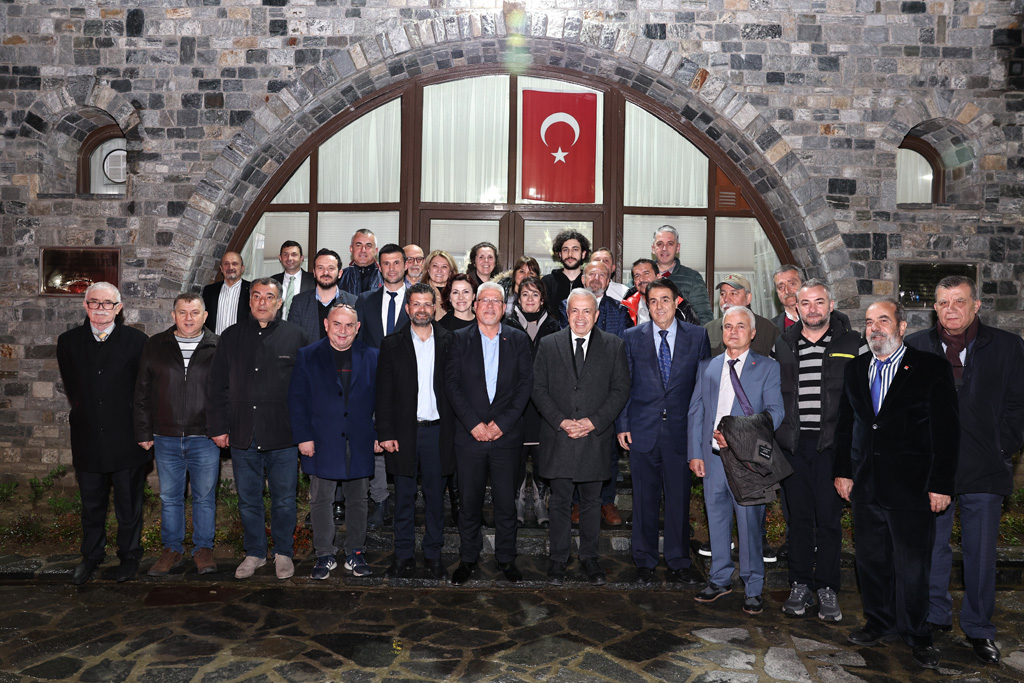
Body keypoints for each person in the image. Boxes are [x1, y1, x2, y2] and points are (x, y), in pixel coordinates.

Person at [833, 300, 959, 670]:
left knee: (913, 566)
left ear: (902, 327)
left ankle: (917, 633)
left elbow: (947, 431)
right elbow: (846, 425)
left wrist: (941, 484)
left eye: (883, 320)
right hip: (865, 486)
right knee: (871, 561)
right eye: (869, 321)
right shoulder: (856, 368)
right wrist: (843, 471)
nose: (874, 328)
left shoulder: (930, 367)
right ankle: (879, 622)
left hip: (913, 488)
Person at [906, 276, 1024, 665]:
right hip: (933, 471)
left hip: (985, 469)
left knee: (981, 555)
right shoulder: (916, 346)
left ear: (976, 305)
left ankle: (978, 627)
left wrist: (1002, 448)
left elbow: (1018, 405)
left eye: (959, 301)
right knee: (932, 548)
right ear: (934, 308)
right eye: (943, 302)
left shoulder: (1007, 346)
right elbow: (905, 408)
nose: (951, 309)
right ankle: (935, 617)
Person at [207, 278, 310, 580]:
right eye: (256, 296)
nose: (262, 302)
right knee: (249, 499)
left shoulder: (297, 336)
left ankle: (283, 552)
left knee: (284, 500)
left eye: (269, 297)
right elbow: (216, 385)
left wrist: (305, 432)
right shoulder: (231, 336)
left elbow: (307, 389)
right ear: (249, 301)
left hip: (283, 434)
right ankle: (254, 552)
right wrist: (218, 427)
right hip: (243, 433)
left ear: (279, 302)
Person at [773, 280, 864, 622]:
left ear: (831, 304)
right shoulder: (782, 344)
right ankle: (799, 584)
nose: (812, 309)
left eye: (819, 302)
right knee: (798, 521)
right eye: (806, 303)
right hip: (794, 447)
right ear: (796, 307)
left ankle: (827, 587)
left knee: (828, 521)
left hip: (833, 447)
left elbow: (864, 397)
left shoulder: (853, 343)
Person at [688, 305, 784, 615]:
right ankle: (719, 579)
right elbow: (697, 411)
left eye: (741, 326)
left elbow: (775, 412)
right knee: (716, 520)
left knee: (749, 524)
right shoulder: (709, 366)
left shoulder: (767, 367)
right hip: (713, 459)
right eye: (728, 326)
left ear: (752, 333)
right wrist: (695, 453)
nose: (733, 331)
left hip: (747, 462)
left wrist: (738, 437)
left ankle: (753, 586)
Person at [532, 289, 631, 586]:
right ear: (567, 313)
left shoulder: (613, 345)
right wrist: (561, 421)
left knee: (591, 502)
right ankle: (558, 559)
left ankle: (589, 557)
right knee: (560, 501)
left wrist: (593, 422)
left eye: (587, 311)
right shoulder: (549, 344)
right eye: (574, 310)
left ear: (596, 315)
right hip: (558, 436)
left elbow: (620, 390)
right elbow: (538, 388)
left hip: (594, 438)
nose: (580, 316)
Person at [616, 278, 710, 586]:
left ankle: (678, 561)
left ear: (677, 302)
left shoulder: (697, 336)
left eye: (665, 300)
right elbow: (624, 385)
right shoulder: (632, 336)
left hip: (682, 432)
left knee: (678, 500)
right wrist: (622, 424)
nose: (659, 307)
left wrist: (700, 433)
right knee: (644, 499)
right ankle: (644, 561)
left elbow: (703, 390)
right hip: (642, 430)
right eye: (653, 301)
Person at [57, 282, 150, 585]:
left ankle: (130, 556)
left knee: (129, 505)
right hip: (88, 437)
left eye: (107, 303)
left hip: (127, 438)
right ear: (85, 306)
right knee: (91, 505)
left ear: (118, 308)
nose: (100, 308)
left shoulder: (137, 342)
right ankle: (92, 555)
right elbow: (74, 389)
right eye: (94, 302)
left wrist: (144, 431)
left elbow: (143, 391)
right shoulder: (69, 342)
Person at [444, 282, 534, 585]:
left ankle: (506, 558)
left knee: (506, 503)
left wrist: (502, 424)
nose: (490, 306)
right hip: (469, 436)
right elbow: (452, 385)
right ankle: (468, 557)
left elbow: (525, 385)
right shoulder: (459, 339)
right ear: (475, 305)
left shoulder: (518, 340)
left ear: (504, 308)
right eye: (485, 300)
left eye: (496, 301)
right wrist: (474, 424)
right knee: (469, 503)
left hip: (506, 437)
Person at [289, 304, 379, 579]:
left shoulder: (372, 355)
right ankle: (324, 554)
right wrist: (303, 437)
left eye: (349, 325)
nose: (343, 330)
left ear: (357, 328)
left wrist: (379, 434)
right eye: (337, 324)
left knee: (358, 499)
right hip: (321, 440)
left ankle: (355, 552)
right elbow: (297, 400)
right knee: (321, 499)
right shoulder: (307, 355)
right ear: (326, 325)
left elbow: (382, 399)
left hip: (360, 440)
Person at [133, 293, 221, 577]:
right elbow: (142, 391)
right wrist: (143, 430)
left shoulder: (218, 346)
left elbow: (227, 393)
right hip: (165, 435)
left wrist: (223, 429)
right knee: (170, 498)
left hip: (205, 437)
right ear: (173, 315)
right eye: (182, 312)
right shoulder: (156, 345)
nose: (188, 318)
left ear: (205, 316)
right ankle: (172, 548)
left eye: (194, 312)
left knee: (204, 498)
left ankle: (203, 548)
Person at [375, 283, 455, 581]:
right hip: (403, 434)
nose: (422, 309)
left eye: (427, 304)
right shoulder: (391, 344)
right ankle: (403, 555)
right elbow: (383, 393)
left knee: (435, 499)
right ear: (408, 308)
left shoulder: (450, 341)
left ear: (435, 308)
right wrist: (385, 432)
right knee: (404, 499)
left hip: (438, 433)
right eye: (416, 304)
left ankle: (433, 555)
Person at [558, 260, 633, 525]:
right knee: (575, 452)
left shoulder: (619, 309)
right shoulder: (565, 306)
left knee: (607, 453)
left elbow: (620, 347)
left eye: (602, 274)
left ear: (609, 279)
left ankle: (607, 502)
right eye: (591, 274)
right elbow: (564, 343)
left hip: (605, 391)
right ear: (583, 278)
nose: (596, 278)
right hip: (572, 391)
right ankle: (578, 502)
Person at [355, 243, 409, 528]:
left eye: (396, 262)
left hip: (410, 386)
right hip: (373, 385)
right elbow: (359, 345)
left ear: (406, 265)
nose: (391, 268)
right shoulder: (365, 300)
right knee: (374, 442)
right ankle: (380, 499)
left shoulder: (418, 299)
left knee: (406, 443)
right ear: (379, 266)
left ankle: (404, 499)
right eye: (386, 263)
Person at [504, 276, 561, 527]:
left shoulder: (555, 326)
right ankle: (517, 500)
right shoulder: (507, 325)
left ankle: (539, 500)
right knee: (516, 456)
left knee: (541, 456)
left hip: (543, 402)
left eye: (535, 294)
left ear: (542, 299)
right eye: (525, 294)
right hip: (515, 401)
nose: (530, 299)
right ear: (518, 298)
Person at [288, 248, 358, 343]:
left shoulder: (354, 302)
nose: (325, 272)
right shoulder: (299, 302)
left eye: (331, 268)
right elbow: (293, 339)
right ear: (314, 273)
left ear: (340, 273)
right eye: (320, 268)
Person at [651, 225, 713, 324]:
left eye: (670, 244)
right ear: (653, 248)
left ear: (677, 248)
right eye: (660, 244)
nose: (664, 248)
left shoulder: (692, 278)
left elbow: (704, 318)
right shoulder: (643, 277)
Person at [705, 274, 778, 358]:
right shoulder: (709, 329)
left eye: (733, 293)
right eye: (722, 294)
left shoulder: (768, 329)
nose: (726, 299)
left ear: (748, 298)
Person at [622, 258, 700, 326]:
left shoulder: (680, 305)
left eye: (646, 273)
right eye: (637, 276)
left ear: (658, 277)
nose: (642, 279)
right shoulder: (626, 306)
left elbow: (694, 333)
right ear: (634, 282)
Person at [541, 229, 590, 317]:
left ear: (583, 254)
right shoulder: (547, 282)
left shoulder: (590, 282)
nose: (570, 254)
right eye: (565, 250)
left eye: (575, 249)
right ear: (560, 254)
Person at [202, 251, 250, 334]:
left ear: (242, 268)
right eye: (226, 264)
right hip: (215, 341)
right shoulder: (209, 291)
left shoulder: (252, 290)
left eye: (234, 264)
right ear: (221, 268)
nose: (230, 267)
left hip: (242, 341)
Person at [271, 240, 314, 320]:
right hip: (277, 326)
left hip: (303, 326)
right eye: (285, 254)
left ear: (301, 258)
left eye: (294, 255)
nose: (289, 258)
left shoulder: (314, 281)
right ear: (280, 258)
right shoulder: (272, 281)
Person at [339, 229, 382, 296]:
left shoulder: (385, 277)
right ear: (351, 249)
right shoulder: (340, 277)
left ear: (376, 251)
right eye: (358, 245)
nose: (363, 250)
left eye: (368, 246)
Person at [772, 265, 803, 331]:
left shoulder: (821, 317)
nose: (787, 291)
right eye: (781, 287)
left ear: (804, 285)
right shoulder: (771, 327)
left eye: (792, 284)